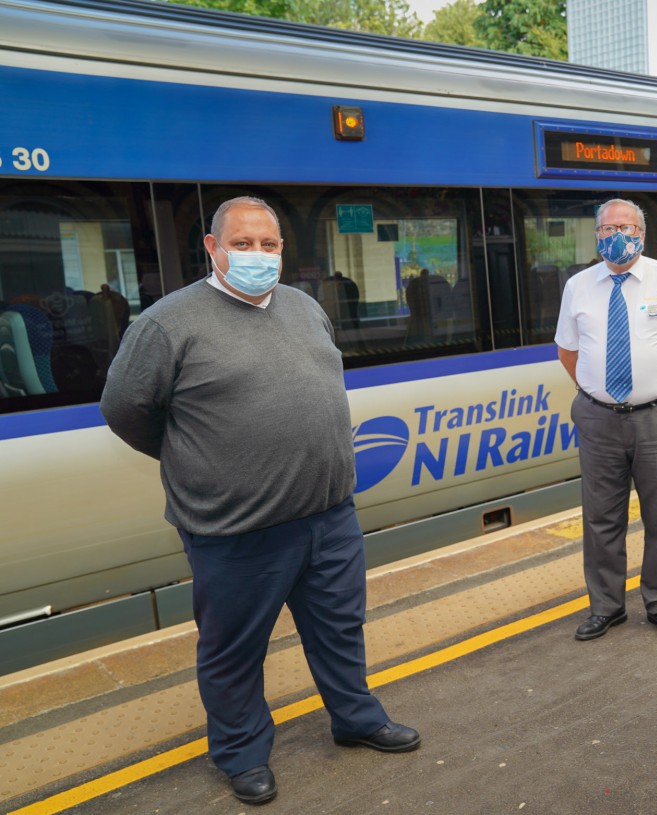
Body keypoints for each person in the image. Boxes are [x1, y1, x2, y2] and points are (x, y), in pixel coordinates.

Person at [100, 196, 419, 806]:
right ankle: (242, 754)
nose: (258, 256)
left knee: (339, 630)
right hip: (235, 530)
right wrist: (201, 464)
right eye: (243, 245)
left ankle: (356, 720)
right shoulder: (167, 324)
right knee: (234, 650)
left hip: (328, 517)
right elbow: (125, 411)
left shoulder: (305, 309)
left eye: (269, 245)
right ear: (213, 249)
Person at [554, 198, 657, 641]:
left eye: (624, 227)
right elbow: (567, 350)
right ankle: (607, 607)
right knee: (600, 517)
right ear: (596, 236)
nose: (615, 236)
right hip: (599, 419)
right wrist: (596, 393)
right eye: (606, 229)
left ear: (641, 235)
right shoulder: (579, 286)